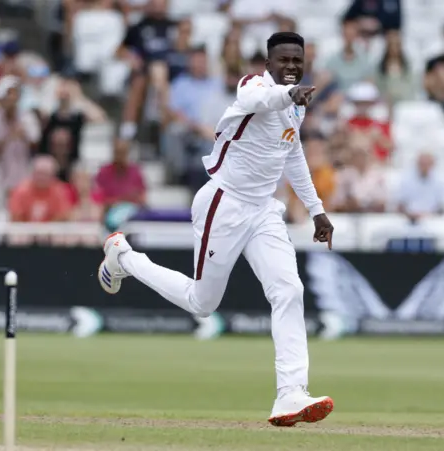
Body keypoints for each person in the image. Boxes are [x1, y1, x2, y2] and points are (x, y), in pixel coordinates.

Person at [97, 32, 335, 426]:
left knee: (289, 289)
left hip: (263, 211)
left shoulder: (297, 108)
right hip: (224, 204)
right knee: (202, 303)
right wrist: (287, 96)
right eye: (284, 60)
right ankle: (124, 256)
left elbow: (293, 155)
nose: (291, 67)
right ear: (268, 63)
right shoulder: (255, 86)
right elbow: (254, 100)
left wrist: (317, 211)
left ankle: (290, 394)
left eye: (298, 60)